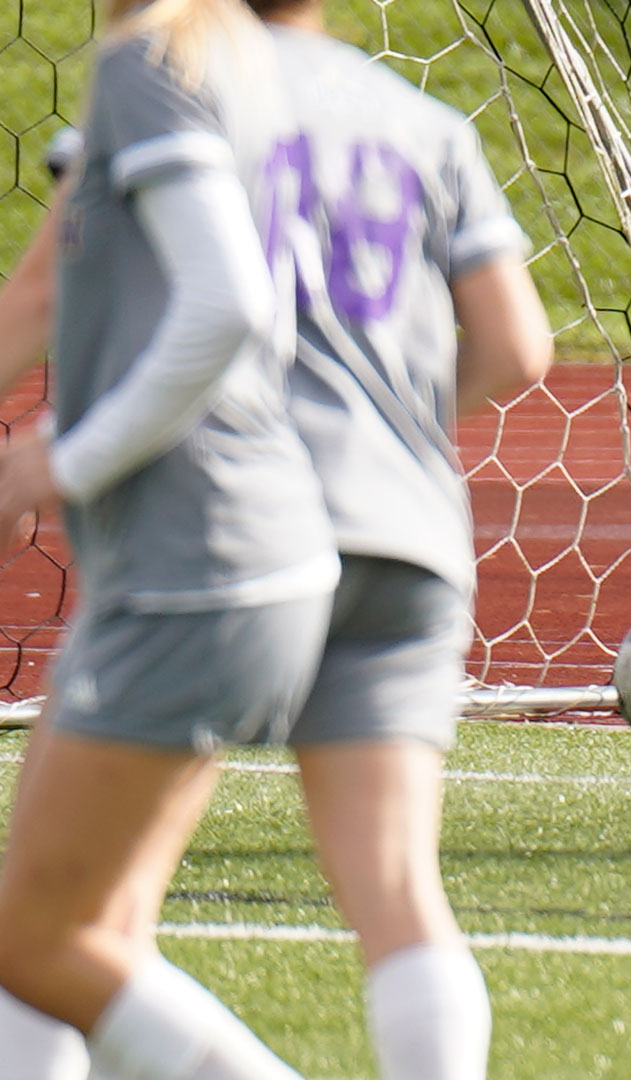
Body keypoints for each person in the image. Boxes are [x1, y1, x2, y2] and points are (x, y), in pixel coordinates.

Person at [0, 1, 552, 1076]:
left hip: (222, 521)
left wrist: (62, 452)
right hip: (405, 520)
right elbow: (519, 345)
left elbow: (44, 294)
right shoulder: (418, 114)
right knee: (398, 892)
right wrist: (386, 436)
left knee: (65, 918)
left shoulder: (167, 74)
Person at [0, 0, 337, 1076]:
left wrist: (67, 460)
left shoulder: (154, 58)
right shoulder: (228, 61)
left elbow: (230, 306)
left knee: (39, 940)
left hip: (195, 566)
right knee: (76, 926)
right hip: (233, 556)